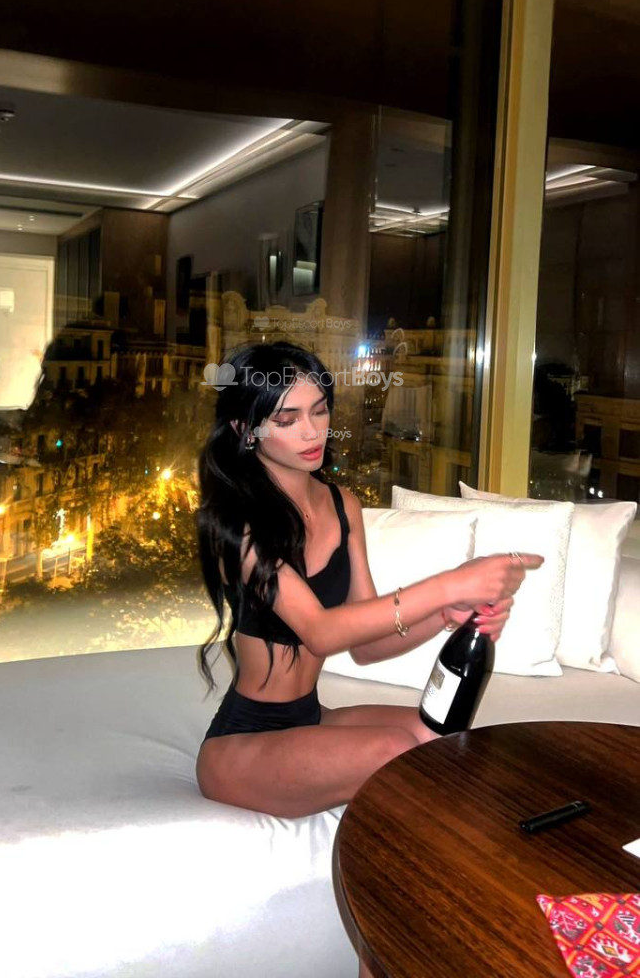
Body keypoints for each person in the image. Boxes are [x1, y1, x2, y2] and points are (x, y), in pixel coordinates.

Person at [195, 340, 542, 975]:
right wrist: (450, 582)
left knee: (445, 744)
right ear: (247, 429)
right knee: (396, 753)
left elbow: (367, 644)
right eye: (287, 417)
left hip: (308, 715)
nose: (312, 432)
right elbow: (322, 632)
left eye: (320, 411)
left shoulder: (342, 505)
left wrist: (447, 614)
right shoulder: (237, 520)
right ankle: (395, 953)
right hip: (243, 742)